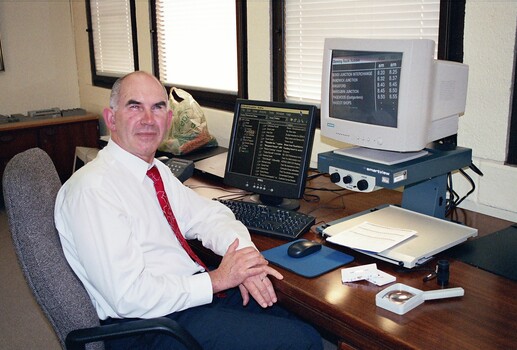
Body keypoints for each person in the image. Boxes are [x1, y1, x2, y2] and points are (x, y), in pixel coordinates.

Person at [54, 71, 323, 349]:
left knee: (296, 319)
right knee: (303, 341)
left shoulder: (153, 170)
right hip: (147, 326)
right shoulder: (93, 190)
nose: (148, 119)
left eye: (158, 107)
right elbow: (128, 296)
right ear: (111, 118)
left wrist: (245, 260)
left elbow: (210, 215)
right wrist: (218, 279)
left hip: (185, 297)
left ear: (168, 121)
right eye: (135, 106)